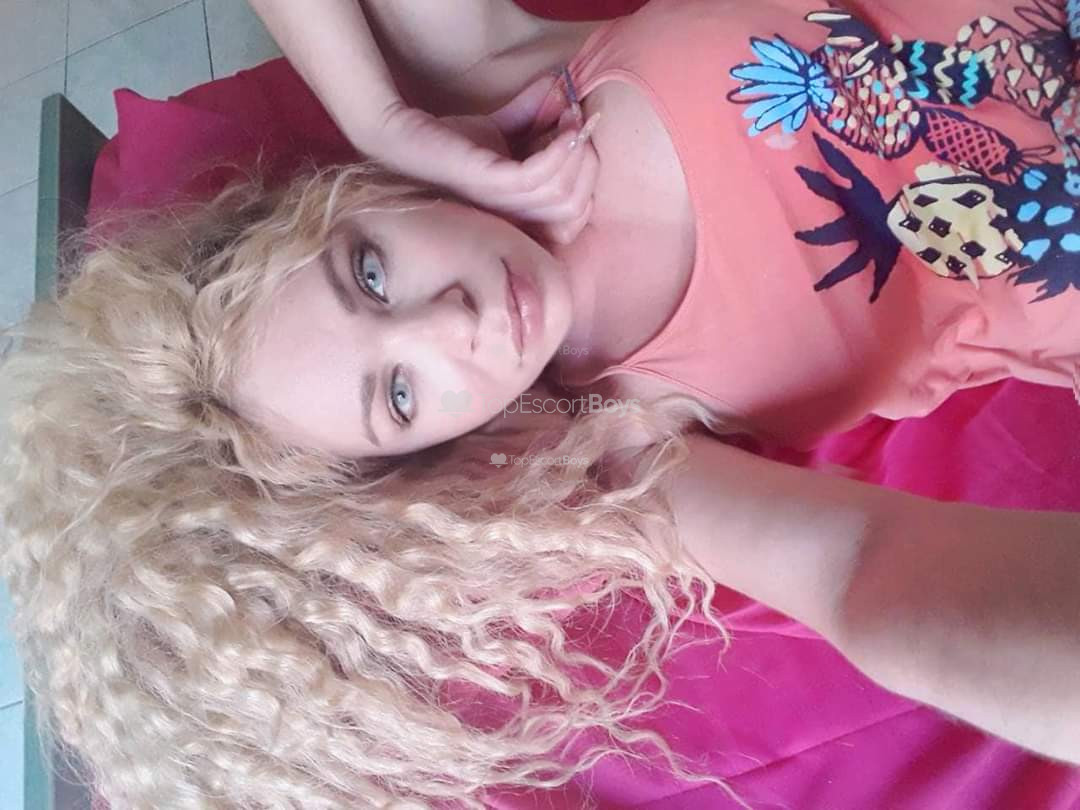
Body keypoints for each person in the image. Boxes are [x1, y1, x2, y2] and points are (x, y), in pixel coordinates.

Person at [1, 1, 1079, 808]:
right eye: (400, 394)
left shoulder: (489, 76)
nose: (452, 319)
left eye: (369, 272)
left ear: (351, 197)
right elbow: (861, 573)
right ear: (415, 459)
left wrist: (384, 117)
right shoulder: (615, 440)